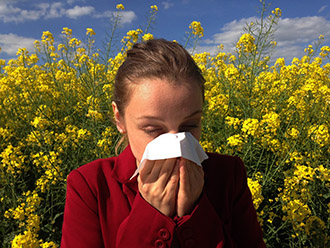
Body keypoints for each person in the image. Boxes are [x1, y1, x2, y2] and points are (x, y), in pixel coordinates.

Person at [61, 39, 266, 248]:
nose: (176, 145)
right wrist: (151, 214)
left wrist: (195, 210)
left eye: (190, 126)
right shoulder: (91, 186)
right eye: (152, 129)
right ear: (119, 119)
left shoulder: (228, 175)